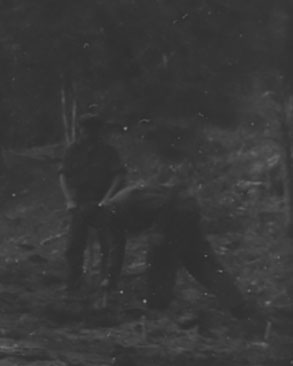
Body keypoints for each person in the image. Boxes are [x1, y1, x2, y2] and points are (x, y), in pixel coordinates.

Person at [94, 183, 253, 318]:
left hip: (178, 209)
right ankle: (238, 306)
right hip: (183, 210)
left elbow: (166, 202)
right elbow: (117, 247)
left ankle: (157, 312)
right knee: (200, 262)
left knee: (159, 260)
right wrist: (110, 278)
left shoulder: (127, 200)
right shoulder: (113, 214)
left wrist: (161, 230)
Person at [60, 111, 126, 295]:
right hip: (80, 203)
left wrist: (107, 199)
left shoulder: (108, 152)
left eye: (93, 130)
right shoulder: (72, 151)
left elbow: (119, 175)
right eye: (85, 130)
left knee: (109, 244)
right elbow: (63, 175)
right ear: (80, 130)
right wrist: (69, 200)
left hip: (102, 203)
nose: (89, 134)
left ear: (99, 131)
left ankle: (107, 284)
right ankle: (73, 286)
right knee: (73, 246)